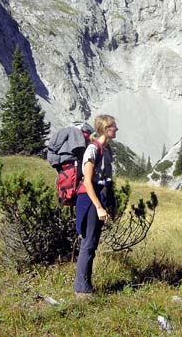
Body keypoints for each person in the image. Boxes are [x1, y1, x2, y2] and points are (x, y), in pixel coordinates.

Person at [73, 114, 118, 295]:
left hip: (100, 198)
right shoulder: (93, 149)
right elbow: (87, 181)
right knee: (89, 243)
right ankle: (82, 289)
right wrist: (99, 207)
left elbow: (107, 181)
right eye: (113, 126)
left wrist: (111, 205)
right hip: (91, 200)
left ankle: (85, 285)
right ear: (105, 128)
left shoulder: (106, 150)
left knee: (92, 242)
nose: (116, 129)